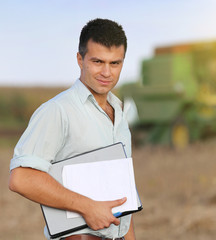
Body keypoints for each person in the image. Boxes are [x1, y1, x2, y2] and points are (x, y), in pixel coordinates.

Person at [8, 18, 136, 240]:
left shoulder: (119, 112)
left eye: (115, 63)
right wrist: (87, 207)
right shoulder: (57, 111)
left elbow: (123, 193)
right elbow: (21, 178)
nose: (107, 72)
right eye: (98, 61)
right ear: (80, 59)